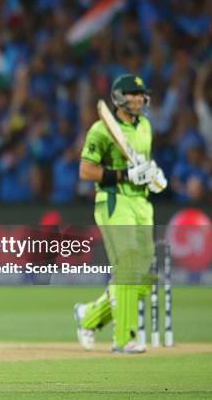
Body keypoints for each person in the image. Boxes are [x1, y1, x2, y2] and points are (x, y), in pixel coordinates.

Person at [73, 74, 167, 353]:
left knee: (144, 277)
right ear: (118, 97)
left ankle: (88, 317)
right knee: (127, 265)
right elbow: (86, 170)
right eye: (132, 94)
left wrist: (152, 174)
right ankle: (124, 339)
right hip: (114, 201)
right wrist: (124, 175)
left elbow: (142, 162)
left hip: (142, 204)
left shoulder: (146, 126)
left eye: (140, 94)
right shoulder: (101, 130)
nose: (138, 98)